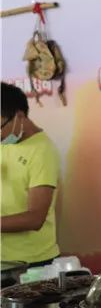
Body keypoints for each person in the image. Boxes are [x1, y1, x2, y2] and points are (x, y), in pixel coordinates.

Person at [1, 82, 61, 265]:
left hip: (30, 263)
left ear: (19, 116)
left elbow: (35, 218)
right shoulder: (4, 141)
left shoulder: (42, 151)